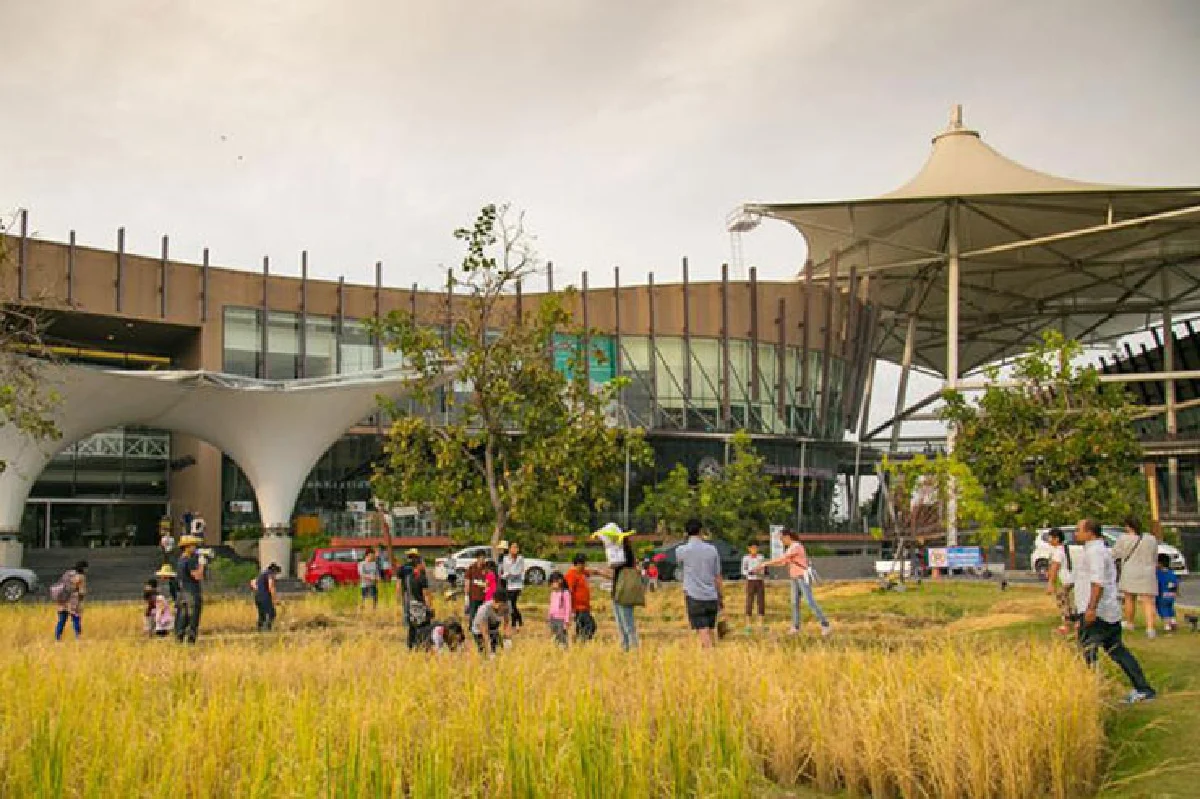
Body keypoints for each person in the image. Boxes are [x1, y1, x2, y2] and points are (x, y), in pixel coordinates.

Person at [1074, 518, 1156, 703]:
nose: (1076, 533)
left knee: (1088, 653)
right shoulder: (1097, 550)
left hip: (1098, 612)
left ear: (1090, 532)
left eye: (1079, 529)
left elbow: (1097, 582)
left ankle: (1092, 691)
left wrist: (1091, 608)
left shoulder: (1095, 552)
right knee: (1118, 651)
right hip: (1108, 611)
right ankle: (1143, 688)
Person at [757, 529, 831, 636]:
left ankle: (825, 624)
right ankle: (795, 627)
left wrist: (765, 563)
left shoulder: (796, 546)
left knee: (810, 601)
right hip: (794, 578)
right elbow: (783, 562)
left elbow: (783, 558)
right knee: (794, 603)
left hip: (801, 577)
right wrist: (766, 565)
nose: (781, 541)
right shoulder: (790, 548)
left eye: (782, 538)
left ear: (787, 537)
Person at [675, 519, 723, 648]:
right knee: (711, 629)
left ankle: (709, 656)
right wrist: (720, 597)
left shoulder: (681, 550)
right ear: (701, 531)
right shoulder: (712, 550)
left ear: (686, 532)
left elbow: (679, 565)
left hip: (694, 594)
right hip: (711, 595)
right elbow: (717, 576)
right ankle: (714, 654)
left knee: (702, 629)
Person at [1112, 518, 1159, 638]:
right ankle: (1150, 628)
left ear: (1128, 526)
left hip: (1130, 571)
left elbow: (1115, 553)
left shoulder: (1123, 539)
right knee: (1148, 601)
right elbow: (1154, 555)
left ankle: (1130, 622)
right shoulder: (1151, 539)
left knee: (1129, 598)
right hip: (1147, 572)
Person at [596, 535, 641, 651]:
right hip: (618, 592)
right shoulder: (622, 558)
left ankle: (632, 648)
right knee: (623, 624)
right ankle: (626, 648)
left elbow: (613, 568)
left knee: (626, 624)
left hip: (622, 593)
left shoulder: (622, 558)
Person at [1045, 529, 1078, 635]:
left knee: (1063, 603)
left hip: (1063, 581)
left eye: (1050, 537)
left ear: (1056, 539)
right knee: (1069, 603)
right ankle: (1075, 624)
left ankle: (1066, 626)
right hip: (1069, 579)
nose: (1048, 539)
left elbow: (1055, 567)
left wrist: (1050, 583)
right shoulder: (1063, 549)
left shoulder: (1058, 552)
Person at [175, 534, 206, 644]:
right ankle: (191, 640)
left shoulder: (180, 561)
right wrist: (202, 565)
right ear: (187, 547)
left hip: (182, 592)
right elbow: (198, 576)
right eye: (193, 545)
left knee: (182, 617)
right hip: (192, 592)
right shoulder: (190, 560)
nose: (195, 548)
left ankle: (179, 638)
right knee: (193, 617)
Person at [564, 554, 598, 642]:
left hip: (585, 607)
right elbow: (568, 592)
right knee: (590, 625)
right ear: (578, 564)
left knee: (581, 626)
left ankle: (579, 642)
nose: (584, 566)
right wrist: (570, 610)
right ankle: (582, 641)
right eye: (583, 564)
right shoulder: (571, 574)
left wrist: (606, 574)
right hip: (578, 607)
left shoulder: (582, 572)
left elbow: (593, 572)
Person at [403, 549, 433, 649]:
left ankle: (411, 645)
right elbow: (426, 594)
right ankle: (423, 645)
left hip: (412, 605)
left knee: (413, 626)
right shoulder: (422, 577)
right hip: (421, 605)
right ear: (419, 565)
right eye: (423, 563)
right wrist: (429, 607)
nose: (424, 565)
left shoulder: (409, 577)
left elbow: (407, 591)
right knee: (424, 627)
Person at [51, 560, 88, 641]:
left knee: (62, 620)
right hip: (73, 601)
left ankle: (57, 638)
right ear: (83, 568)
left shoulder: (67, 573)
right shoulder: (81, 577)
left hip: (62, 600)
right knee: (76, 619)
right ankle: (78, 637)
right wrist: (81, 600)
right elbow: (81, 591)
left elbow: (60, 584)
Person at [471, 592, 511, 656]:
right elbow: (485, 633)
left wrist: (507, 640)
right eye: (501, 606)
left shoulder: (507, 606)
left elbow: (506, 623)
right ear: (494, 602)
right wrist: (490, 651)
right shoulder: (484, 610)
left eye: (504, 605)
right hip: (479, 631)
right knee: (485, 653)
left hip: (494, 628)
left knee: (501, 650)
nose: (503, 608)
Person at [741, 543, 767, 634]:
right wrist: (750, 572)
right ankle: (748, 625)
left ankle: (760, 624)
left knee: (761, 601)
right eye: (752, 548)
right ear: (749, 548)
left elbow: (764, 569)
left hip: (759, 580)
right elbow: (743, 571)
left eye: (756, 548)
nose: (754, 549)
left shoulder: (761, 557)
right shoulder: (746, 558)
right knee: (749, 601)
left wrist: (759, 571)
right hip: (750, 580)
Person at [500, 542, 526, 629]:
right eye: (513, 547)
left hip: (517, 585)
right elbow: (505, 570)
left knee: (512, 604)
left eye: (516, 547)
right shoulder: (505, 558)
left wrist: (512, 573)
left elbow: (520, 571)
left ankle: (515, 623)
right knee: (511, 605)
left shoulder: (520, 558)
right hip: (509, 584)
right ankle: (518, 619)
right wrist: (506, 575)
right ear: (509, 549)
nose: (515, 549)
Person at [250, 563, 281, 632]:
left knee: (262, 614)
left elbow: (252, 583)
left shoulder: (261, 575)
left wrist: (258, 590)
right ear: (274, 571)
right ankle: (268, 628)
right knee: (272, 613)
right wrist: (275, 599)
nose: (276, 576)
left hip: (257, 596)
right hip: (265, 597)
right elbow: (271, 587)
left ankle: (259, 629)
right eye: (276, 573)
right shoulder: (270, 575)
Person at [1156, 553, 1180, 634]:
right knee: (1170, 608)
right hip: (1171, 594)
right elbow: (1176, 582)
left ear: (1160, 563)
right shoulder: (1171, 572)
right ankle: (1173, 621)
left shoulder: (1159, 573)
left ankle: (1167, 625)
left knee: (1163, 609)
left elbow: (1157, 584)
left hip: (1162, 594)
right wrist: (1176, 592)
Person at [547, 572, 572, 647]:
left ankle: (564, 649)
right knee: (555, 635)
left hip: (561, 619)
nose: (552, 585)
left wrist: (567, 620)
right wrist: (549, 616)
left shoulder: (565, 593)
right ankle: (556, 648)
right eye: (551, 583)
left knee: (562, 636)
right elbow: (551, 605)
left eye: (553, 582)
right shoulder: (553, 593)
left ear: (560, 581)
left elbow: (568, 607)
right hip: (553, 618)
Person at [464, 551, 489, 624]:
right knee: (473, 612)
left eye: (484, 558)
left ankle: (480, 627)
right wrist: (466, 595)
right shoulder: (471, 568)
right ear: (477, 558)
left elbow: (489, 581)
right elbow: (467, 582)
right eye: (481, 558)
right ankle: (471, 626)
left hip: (484, 595)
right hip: (474, 595)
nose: (482, 560)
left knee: (482, 613)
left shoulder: (486, 568)